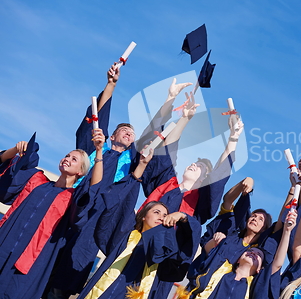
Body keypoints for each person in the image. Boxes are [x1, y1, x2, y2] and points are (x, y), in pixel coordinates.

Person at [48, 64, 194, 298]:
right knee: (46, 259)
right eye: (124, 130)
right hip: (74, 210)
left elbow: (156, 137)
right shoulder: (96, 149)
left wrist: (170, 100)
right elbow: (97, 116)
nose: (129, 133)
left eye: (132, 133)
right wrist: (111, 84)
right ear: (112, 135)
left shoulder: (134, 162)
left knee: (70, 274)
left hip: (103, 218)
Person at [0, 129, 105, 299]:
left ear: (81, 171)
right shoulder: (36, 180)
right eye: (67, 155)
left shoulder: (73, 198)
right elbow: (7, 170)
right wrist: (15, 149)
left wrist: (99, 151)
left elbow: (94, 189)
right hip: (4, 243)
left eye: (74, 159)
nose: (67, 159)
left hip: (31, 260)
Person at [77, 198, 201, 299]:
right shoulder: (124, 236)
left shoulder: (167, 250)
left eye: (165, 215)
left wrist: (183, 216)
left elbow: (186, 251)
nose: (161, 217)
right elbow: (113, 211)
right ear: (143, 216)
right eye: (156, 212)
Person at [179, 210, 297, 299]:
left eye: (258, 255)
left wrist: (287, 231)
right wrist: (215, 241)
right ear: (238, 259)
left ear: (260, 269)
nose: (253, 253)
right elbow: (207, 251)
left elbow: (277, 263)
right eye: (253, 216)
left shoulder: (253, 285)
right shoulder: (221, 270)